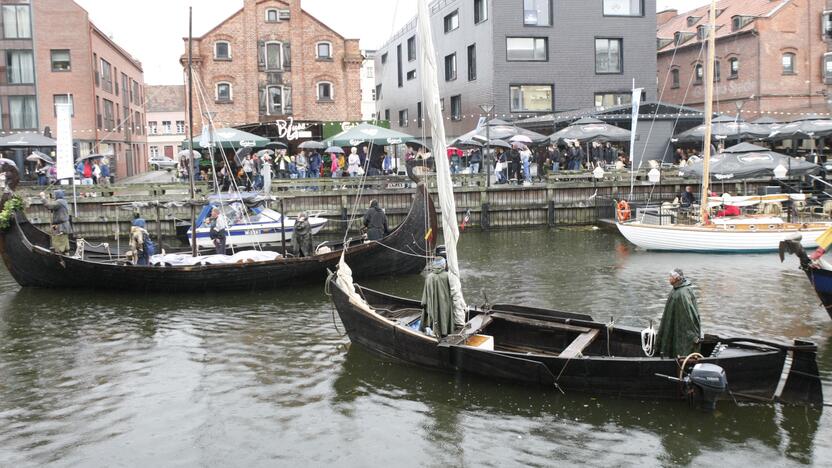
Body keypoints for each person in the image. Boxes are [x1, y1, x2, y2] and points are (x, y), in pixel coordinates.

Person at [656, 269, 702, 358]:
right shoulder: (676, 290)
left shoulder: (682, 293)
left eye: (671, 277)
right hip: (675, 325)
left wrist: (692, 335)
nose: (669, 279)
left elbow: (689, 316)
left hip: (681, 330)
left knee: (679, 344)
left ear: (676, 278)